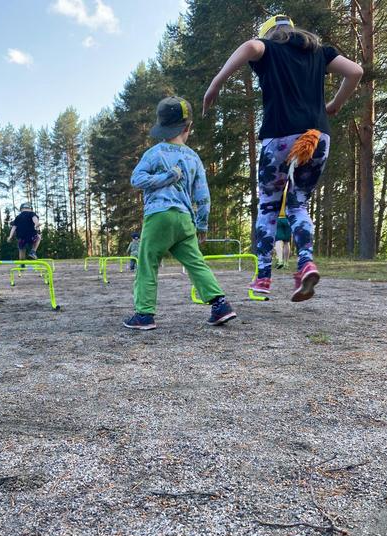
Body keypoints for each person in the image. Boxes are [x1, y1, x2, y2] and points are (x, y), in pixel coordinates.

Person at [203, 15, 363, 301]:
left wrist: (216, 83)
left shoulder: (269, 48)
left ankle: (263, 277)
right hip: (317, 137)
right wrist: (333, 105)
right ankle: (306, 263)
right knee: (298, 203)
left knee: (268, 206)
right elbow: (355, 71)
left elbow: (251, 47)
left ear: (270, 35)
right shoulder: (320, 52)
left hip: (279, 137)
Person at [124, 96, 236, 330]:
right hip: (185, 219)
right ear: (188, 127)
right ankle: (220, 305)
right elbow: (203, 196)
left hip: (159, 217)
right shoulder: (193, 158)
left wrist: (165, 177)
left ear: (161, 126)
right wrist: (202, 226)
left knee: (147, 263)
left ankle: (144, 315)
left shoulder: (153, 153)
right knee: (196, 263)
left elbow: (136, 179)